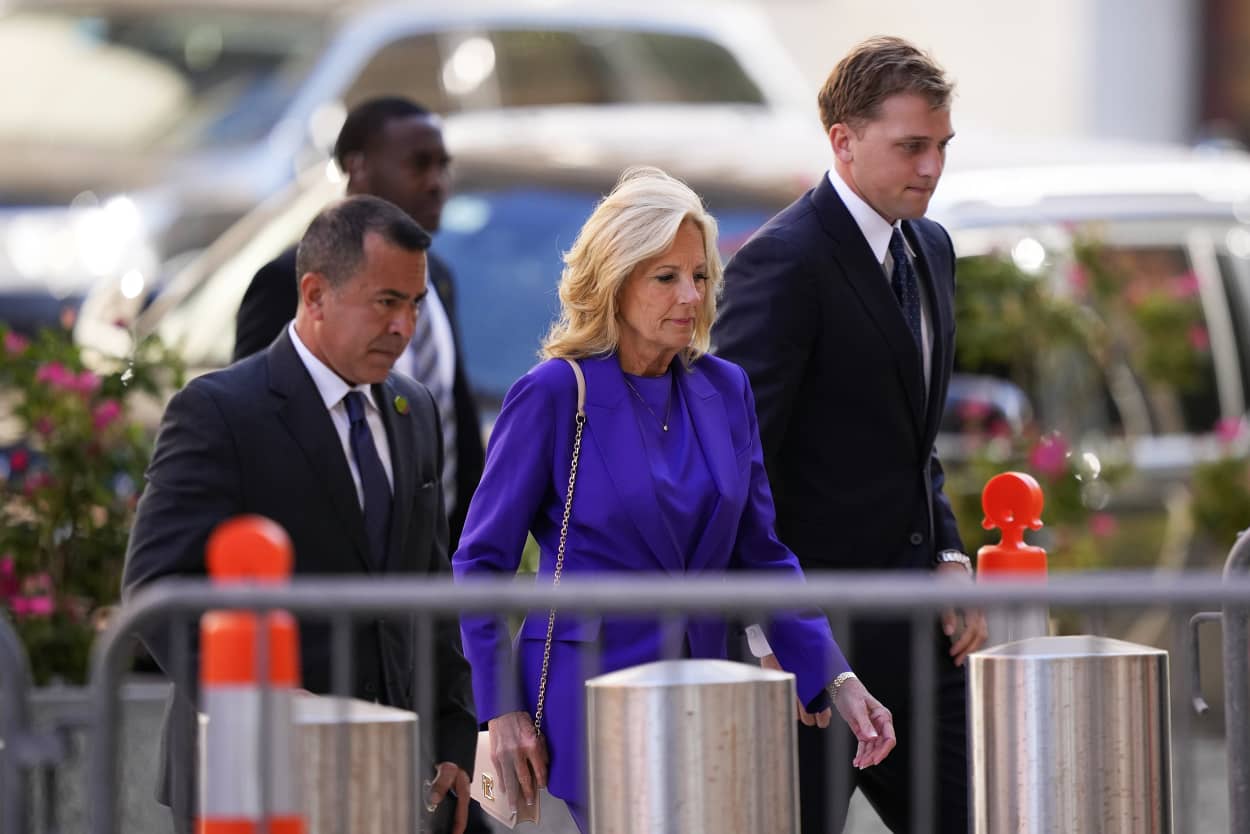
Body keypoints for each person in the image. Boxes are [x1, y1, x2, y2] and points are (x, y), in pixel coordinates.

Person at [452, 167, 897, 832]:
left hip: (708, 690)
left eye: (700, 275)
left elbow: (762, 553)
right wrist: (501, 709)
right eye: (666, 277)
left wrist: (835, 676)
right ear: (616, 281)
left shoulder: (726, 389)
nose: (691, 295)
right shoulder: (553, 394)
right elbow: (479, 564)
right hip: (593, 699)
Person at [124, 195, 477, 834]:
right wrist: (258, 706)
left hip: (387, 770)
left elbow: (429, 588)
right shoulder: (220, 411)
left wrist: (453, 738)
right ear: (314, 296)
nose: (405, 327)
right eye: (385, 302)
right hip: (251, 776)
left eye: (415, 304)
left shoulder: (413, 410)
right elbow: (156, 588)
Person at [712, 37, 988, 834]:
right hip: (812, 643)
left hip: (918, 637)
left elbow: (911, 435)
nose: (932, 167)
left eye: (941, 147)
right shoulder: (782, 263)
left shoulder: (930, 246)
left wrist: (946, 550)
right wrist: (767, 632)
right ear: (844, 140)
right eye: (911, 147)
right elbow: (742, 459)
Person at [234, 96, 484, 548]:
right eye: (418, 164)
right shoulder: (285, 283)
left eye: (443, 166)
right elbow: (257, 428)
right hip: (330, 575)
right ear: (359, 168)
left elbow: (456, 428)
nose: (437, 183)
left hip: (431, 576)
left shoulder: (439, 280)